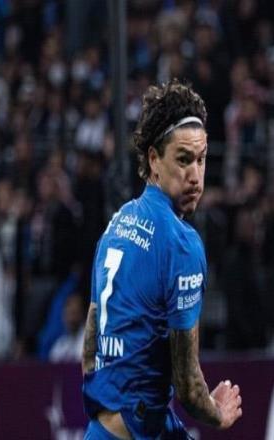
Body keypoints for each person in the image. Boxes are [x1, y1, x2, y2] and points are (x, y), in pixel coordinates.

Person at [82, 79, 242, 439]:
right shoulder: (180, 243)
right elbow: (188, 385)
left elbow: (90, 348)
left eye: (201, 160)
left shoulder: (117, 224)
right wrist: (217, 413)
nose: (195, 176)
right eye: (183, 160)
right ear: (154, 160)